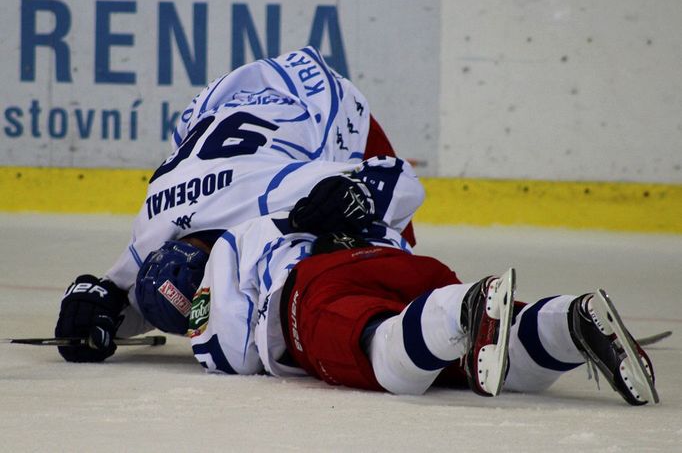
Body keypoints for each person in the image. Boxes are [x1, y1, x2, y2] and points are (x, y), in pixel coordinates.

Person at [180, 162, 658, 406]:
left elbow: (234, 352)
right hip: (410, 269)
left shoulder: (236, 239)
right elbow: (403, 180)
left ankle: (461, 309)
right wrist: (359, 192)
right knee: (498, 357)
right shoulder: (307, 181)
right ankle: (569, 322)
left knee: (380, 351)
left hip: (322, 281)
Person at [54, 46, 414, 363]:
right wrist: (90, 311)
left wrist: (359, 196)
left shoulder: (265, 192)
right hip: (222, 110)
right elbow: (120, 293)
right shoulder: (152, 230)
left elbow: (400, 180)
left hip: (323, 104)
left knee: (381, 253)